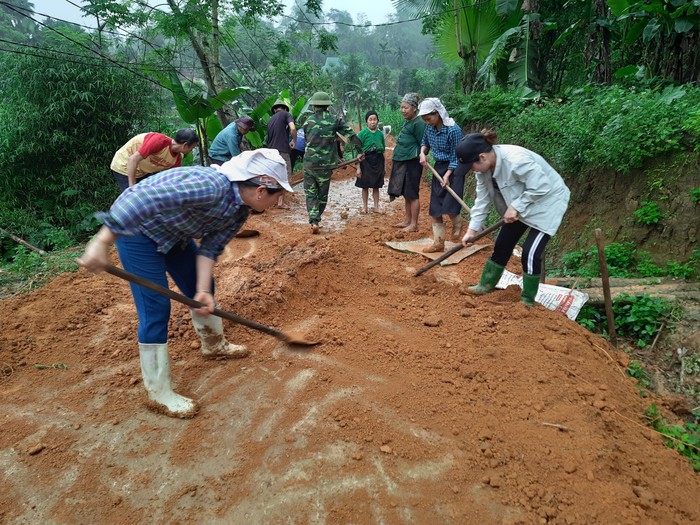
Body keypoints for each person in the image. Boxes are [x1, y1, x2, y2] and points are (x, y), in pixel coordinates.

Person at [77, 149, 292, 418]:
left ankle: (213, 344)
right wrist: (100, 243)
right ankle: (158, 392)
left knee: (203, 288)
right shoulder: (209, 187)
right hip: (139, 235)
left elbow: (210, 248)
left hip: (176, 235)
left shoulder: (239, 211)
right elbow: (135, 199)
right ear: (261, 190)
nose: (277, 202)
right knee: (156, 308)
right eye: (277, 196)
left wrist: (202, 292)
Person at [457, 130, 571, 305]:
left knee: (530, 252)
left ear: (483, 157)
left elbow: (541, 186)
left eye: (471, 166)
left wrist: (516, 206)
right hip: (520, 203)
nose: (471, 171)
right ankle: (485, 285)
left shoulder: (516, 160)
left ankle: (527, 300)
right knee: (502, 244)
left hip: (546, 203)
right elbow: (482, 200)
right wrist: (472, 230)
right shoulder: (483, 171)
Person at [303, 91, 363, 234]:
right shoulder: (335, 120)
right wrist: (360, 150)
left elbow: (307, 139)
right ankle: (317, 218)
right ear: (327, 106)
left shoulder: (307, 121)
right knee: (322, 195)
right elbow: (351, 135)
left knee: (311, 193)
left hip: (309, 164)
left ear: (314, 106)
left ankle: (314, 220)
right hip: (325, 165)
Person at [110, 129, 199, 192]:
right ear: (185, 145)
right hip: (124, 165)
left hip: (142, 170)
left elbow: (172, 179)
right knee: (131, 200)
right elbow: (132, 159)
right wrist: (132, 188)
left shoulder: (177, 159)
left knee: (146, 198)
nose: (192, 150)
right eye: (192, 147)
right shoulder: (158, 141)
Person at [387, 93, 426, 232]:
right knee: (406, 193)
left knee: (412, 193)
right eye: (401, 107)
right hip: (403, 161)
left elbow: (424, 143)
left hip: (412, 162)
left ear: (414, 108)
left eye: (406, 108)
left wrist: (420, 155)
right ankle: (407, 220)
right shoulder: (408, 122)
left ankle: (414, 224)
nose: (403, 110)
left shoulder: (419, 123)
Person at [266, 98, 297, 209]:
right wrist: (294, 141)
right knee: (285, 176)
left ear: (274, 109)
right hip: (282, 150)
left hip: (270, 152)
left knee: (273, 176)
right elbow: (293, 129)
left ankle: (269, 201)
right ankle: (280, 202)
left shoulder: (270, 120)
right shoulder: (286, 114)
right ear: (284, 108)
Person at [355, 110, 386, 214]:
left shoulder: (380, 134)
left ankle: (376, 207)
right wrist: (358, 168)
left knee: (376, 186)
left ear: (377, 121)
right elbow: (358, 152)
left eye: (375, 119)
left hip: (378, 160)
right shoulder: (362, 134)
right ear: (366, 122)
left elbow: (383, 151)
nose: (373, 122)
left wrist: (384, 168)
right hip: (365, 161)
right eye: (370, 120)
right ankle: (365, 207)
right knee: (365, 185)